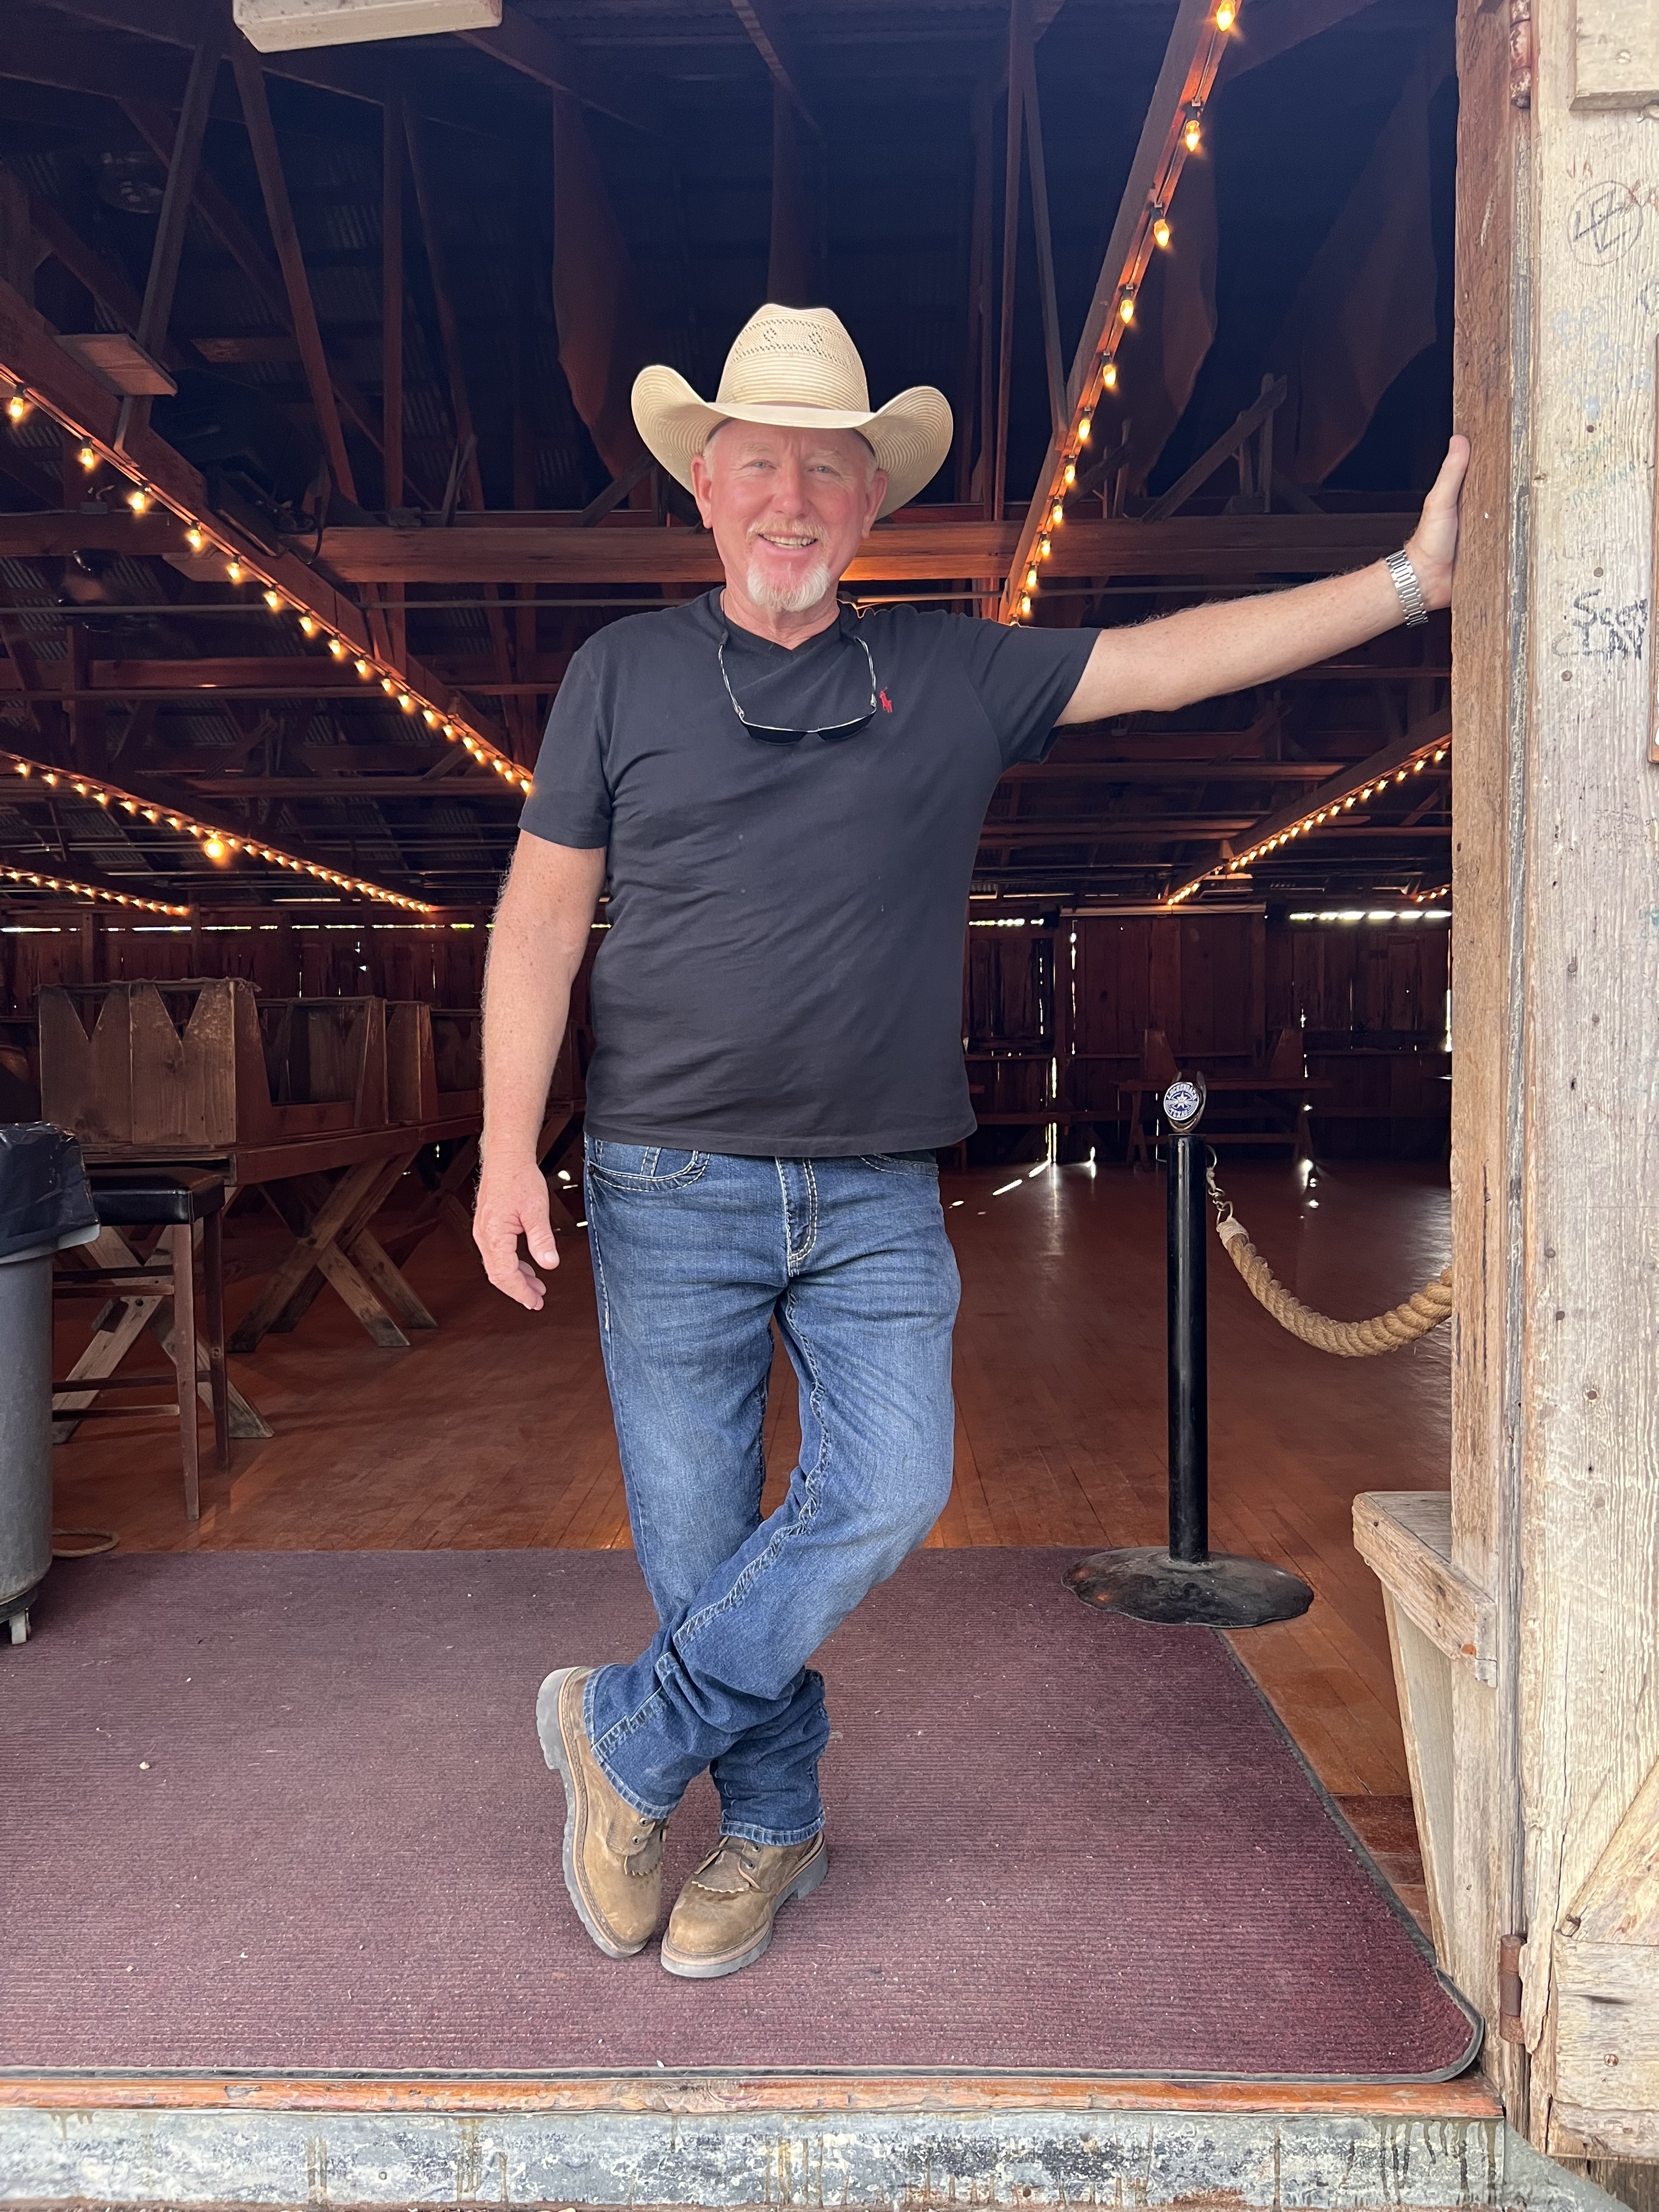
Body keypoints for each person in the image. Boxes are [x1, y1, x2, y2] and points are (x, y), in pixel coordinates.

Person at [475, 303, 1467, 1982]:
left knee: (890, 1486)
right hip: (665, 1179)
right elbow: (540, 920)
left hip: (870, 1188)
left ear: (870, 505)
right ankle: (775, 1832)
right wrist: (510, 1147)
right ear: (708, 490)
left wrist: (1406, 586)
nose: (791, 500)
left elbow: (1171, 657)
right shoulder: (619, 675)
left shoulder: (944, 669)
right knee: (703, 1540)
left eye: (827, 474)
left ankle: (625, 1740)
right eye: (761, 466)